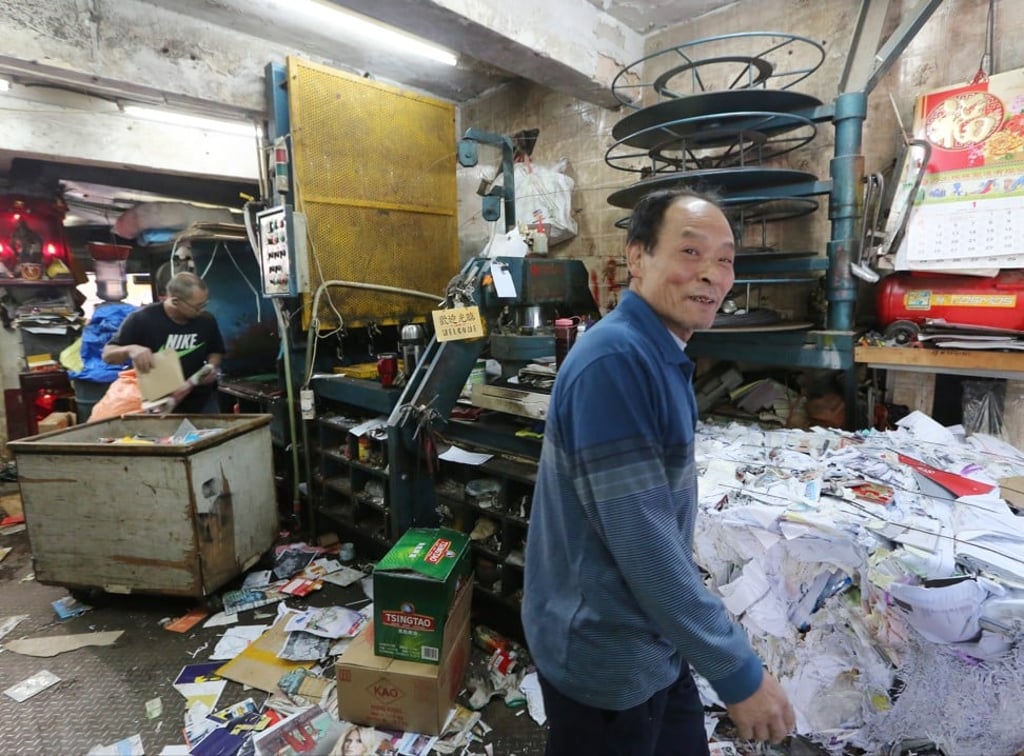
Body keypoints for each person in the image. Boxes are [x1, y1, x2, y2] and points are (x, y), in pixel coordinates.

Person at [522, 188, 795, 755]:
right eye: (690, 253)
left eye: (724, 260)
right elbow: (643, 541)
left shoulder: (658, 351)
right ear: (638, 257)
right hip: (607, 656)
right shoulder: (616, 360)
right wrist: (737, 671)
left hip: (650, 641)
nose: (711, 275)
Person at [102, 271, 225, 413]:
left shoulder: (206, 320)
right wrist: (130, 349)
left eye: (205, 304)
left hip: (202, 401)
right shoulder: (142, 319)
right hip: (162, 403)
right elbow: (107, 355)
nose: (202, 310)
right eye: (197, 306)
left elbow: (215, 350)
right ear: (175, 301)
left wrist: (211, 366)